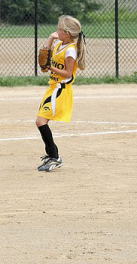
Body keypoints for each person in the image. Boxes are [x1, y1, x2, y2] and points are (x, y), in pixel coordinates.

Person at [36, 15, 87, 172]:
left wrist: (50, 67)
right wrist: (51, 39)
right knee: (41, 121)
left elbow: (68, 73)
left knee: (41, 121)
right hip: (52, 88)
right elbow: (46, 56)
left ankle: (54, 156)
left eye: (59, 29)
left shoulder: (70, 51)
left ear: (67, 33)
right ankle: (53, 155)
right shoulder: (59, 44)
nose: (56, 31)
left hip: (61, 90)